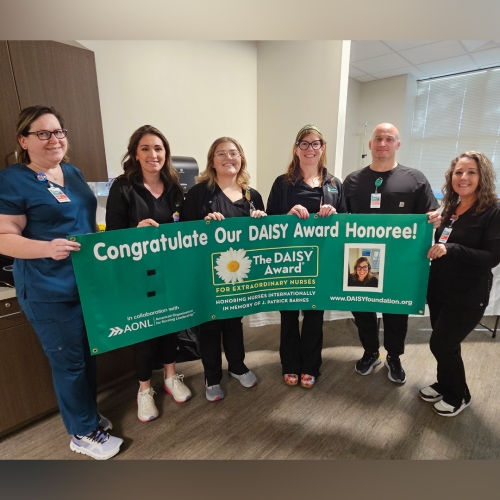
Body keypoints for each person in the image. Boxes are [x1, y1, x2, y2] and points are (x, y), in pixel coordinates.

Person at [0, 105, 123, 460]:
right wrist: (46, 248)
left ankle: (86, 416)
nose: (54, 139)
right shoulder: (13, 179)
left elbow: (83, 222)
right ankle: (82, 433)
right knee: (69, 364)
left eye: (59, 132)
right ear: (24, 141)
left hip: (84, 284)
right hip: (47, 289)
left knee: (85, 356)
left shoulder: (72, 171)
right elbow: (5, 236)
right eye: (43, 133)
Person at [343, 122, 441, 384]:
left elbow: (431, 214)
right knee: (362, 310)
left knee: (396, 311)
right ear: (370, 144)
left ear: (398, 144)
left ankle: (394, 357)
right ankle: (370, 352)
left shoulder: (415, 179)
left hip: (400, 261)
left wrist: (435, 216)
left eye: (389, 139)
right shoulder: (352, 181)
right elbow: (340, 222)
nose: (382, 143)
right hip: (360, 258)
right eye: (378, 139)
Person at [105, 125, 192, 422]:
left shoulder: (175, 187)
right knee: (145, 330)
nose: (153, 154)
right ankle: (144, 389)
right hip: (137, 273)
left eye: (158, 148)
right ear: (135, 153)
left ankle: (170, 377)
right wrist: (135, 232)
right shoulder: (123, 186)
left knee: (170, 324)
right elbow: (111, 235)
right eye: (145, 148)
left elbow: (186, 227)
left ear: (165, 153)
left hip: (168, 271)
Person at [181, 136, 266, 401]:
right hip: (207, 275)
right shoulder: (198, 194)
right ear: (212, 161)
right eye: (221, 154)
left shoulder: (253, 196)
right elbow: (183, 234)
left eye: (234, 153)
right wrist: (202, 225)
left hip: (239, 274)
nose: (229, 158)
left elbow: (264, 239)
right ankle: (212, 376)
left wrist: (262, 221)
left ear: (241, 159)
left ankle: (238, 366)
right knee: (210, 325)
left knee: (234, 322)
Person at [267, 124, 347, 389]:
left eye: (316, 144)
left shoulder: (334, 184)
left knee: (314, 314)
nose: (310, 149)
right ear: (296, 149)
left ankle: (311, 366)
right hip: (289, 261)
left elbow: (346, 221)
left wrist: (334, 214)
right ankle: (290, 364)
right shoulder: (282, 182)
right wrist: (288, 214)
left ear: (323, 148)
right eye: (305, 143)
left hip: (320, 260)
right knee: (289, 314)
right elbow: (267, 223)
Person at [421, 151, 500, 417]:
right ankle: (445, 384)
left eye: (471, 172)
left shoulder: (493, 211)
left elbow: (492, 257)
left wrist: (452, 249)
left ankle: (459, 395)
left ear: (483, 177)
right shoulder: (451, 209)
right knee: (446, 343)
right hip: (440, 289)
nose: (463, 177)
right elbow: (439, 242)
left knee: (441, 344)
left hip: (469, 293)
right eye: (458, 172)